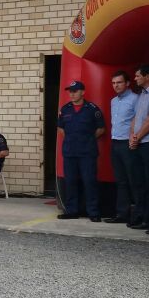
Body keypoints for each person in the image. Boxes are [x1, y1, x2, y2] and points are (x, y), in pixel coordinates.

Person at [57, 80, 106, 221]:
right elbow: (61, 128)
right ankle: (71, 211)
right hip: (70, 152)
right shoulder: (65, 109)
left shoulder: (92, 109)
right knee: (70, 182)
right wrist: (73, 139)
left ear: (82, 92)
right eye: (70, 91)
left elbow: (101, 129)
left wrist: (87, 139)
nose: (72, 94)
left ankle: (93, 212)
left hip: (87, 153)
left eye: (75, 91)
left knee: (89, 182)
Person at [107, 71, 142, 224]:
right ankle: (122, 214)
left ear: (127, 83)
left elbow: (139, 121)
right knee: (120, 180)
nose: (116, 86)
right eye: (114, 83)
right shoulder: (113, 101)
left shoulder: (136, 99)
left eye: (119, 82)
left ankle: (138, 215)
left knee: (134, 180)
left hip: (129, 144)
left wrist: (134, 138)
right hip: (115, 142)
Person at [129, 64, 149, 233]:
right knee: (138, 183)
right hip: (138, 143)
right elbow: (135, 118)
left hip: (148, 143)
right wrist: (132, 137)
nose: (135, 78)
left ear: (147, 76)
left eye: (137, 75)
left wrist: (138, 137)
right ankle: (141, 216)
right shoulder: (141, 94)